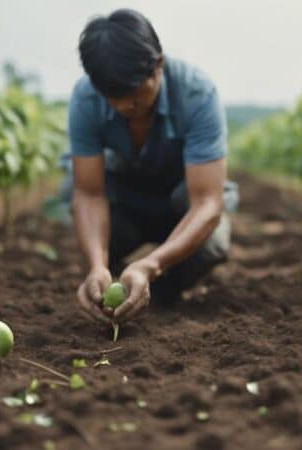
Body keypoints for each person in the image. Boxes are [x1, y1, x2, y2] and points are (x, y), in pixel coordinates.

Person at [62, 8, 238, 325]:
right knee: (84, 219)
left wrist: (151, 265)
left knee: (212, 244)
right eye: (113, 97)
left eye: (135, 95)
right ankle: (108, 281)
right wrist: (96, 264)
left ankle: (166, 292)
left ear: (158, 66)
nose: (124, 106)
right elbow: (88, 193)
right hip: (129, 205)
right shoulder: (85, 99)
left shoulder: (197, 93)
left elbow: (207, 202)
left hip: (181, 203)